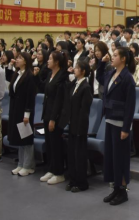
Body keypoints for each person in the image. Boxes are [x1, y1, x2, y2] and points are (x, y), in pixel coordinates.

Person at [96, 47, 137, 205]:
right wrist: (101, 63)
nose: (111, 57)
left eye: (114, 55)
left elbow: (130, 106)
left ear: (123, 59)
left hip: (121, 124)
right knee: (112, 157)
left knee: (121, 158)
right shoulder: (111, 74)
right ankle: (115, 188)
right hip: (109, 120)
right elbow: (99, 77)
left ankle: (123, 191)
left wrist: (126, 128)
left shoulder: (127, 78)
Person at [57, 59, 93, 193]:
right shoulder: (75, 84)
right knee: (71, 154)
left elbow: (84, 111)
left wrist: (80, 128)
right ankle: (72, 180)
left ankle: (81, 182)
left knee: (79, 155)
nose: (74, 69)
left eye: (77, 68)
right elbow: (66, 87)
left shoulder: (86, 87)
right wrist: (67, 73)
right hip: (72, 124)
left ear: (83, 71)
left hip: (80, 126)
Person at [40, 51, 68, 185]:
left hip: (55, 116)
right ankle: (51, 169)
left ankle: (59, 172)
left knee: (56, 144)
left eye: (50, 59)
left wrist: (53, 119)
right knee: (49, 143)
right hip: (47, 113)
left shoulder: (62, 77)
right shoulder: (50, 75)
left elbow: (59, 100)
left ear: (57, 62)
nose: (48, 61)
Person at [7, 52, 37, 177]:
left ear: (25, 61)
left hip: (25, 111)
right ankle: (21, 163)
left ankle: (28, 166)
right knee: (20, 138)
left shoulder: (29, 76)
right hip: (16, 109)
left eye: (20, 58)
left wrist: (27, 114)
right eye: (17, 58)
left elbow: (30, 96)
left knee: (26, 139)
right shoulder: (17, 74)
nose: (17, 60)